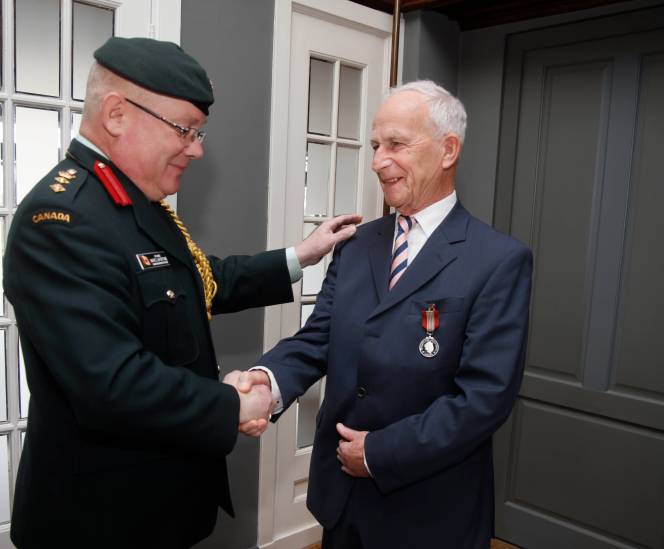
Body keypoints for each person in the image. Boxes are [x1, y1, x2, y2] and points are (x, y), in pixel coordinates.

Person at [3, 37, 359, 549]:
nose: (196, 148)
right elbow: (113, 383)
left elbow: (190, 280)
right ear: (118, 114)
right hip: (100, 517)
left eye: (199, 132)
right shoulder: (61, 221)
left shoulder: (131, 202)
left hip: (160, 502)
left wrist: (299, 256)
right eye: (185, 130)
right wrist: (233, 405)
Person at [239, 80, 533, 548]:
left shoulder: (498, 260)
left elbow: (484, 397)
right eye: (376, 145)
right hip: (341, 500)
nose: (378, 161)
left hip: (429, 511)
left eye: (396, 144)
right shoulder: (357, 245)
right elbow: (319, 339)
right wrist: (266, 381)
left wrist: (378, 453)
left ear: (448, 149)